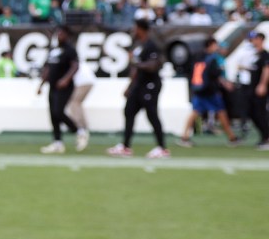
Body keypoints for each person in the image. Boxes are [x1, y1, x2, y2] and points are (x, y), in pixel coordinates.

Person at [107, 19, 170, 158]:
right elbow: (135, 69)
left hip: (150, 84)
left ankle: (162, 148)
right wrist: (129, 85)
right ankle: (125, 146)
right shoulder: (138, 46)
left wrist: (136, 62)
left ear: (141, 29)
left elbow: (153, 65)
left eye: (135, 28)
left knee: (152, 115)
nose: (133, 31)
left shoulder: (151, 45)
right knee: (129, 111)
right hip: (139, 84)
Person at [176, 37, 239, 148]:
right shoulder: (213, 58)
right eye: (215, 45)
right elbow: (216, 74)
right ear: (211, 45)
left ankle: (184, 136)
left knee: (195, 112)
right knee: (221, 112)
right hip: (210, 91)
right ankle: (232, 137)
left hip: (199, 89)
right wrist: (225, 84)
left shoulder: (197, 56)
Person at [38, 25, 79, 154]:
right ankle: (57, 142)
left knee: (58, 112)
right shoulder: (54, 50)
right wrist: (41, 84)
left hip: (65, 86)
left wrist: (66, 79)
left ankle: (78, 131)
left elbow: (75, 66)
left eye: (61, 33)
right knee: (53, 115)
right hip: (52, 85)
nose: (59, 36)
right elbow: (48, 69)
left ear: (67, 35)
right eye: (58, 33)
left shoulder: (70, 50)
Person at [239, 31, 269, 150]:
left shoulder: (265, 55)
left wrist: (262, 84)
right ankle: (264, 136)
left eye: (255, 38)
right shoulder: (255, 54)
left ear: (261, 39)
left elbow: (267, 70)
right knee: (252, 112)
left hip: (259, 88)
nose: (253, 41)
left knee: (260, 112)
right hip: (252, 87)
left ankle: (267, 137)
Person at [67, 52, 96, 151]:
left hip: (84, 82)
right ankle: (83, 128)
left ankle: (81, 128)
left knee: (74, 103)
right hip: (88, 81)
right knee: (76, 103)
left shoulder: (70, 60)